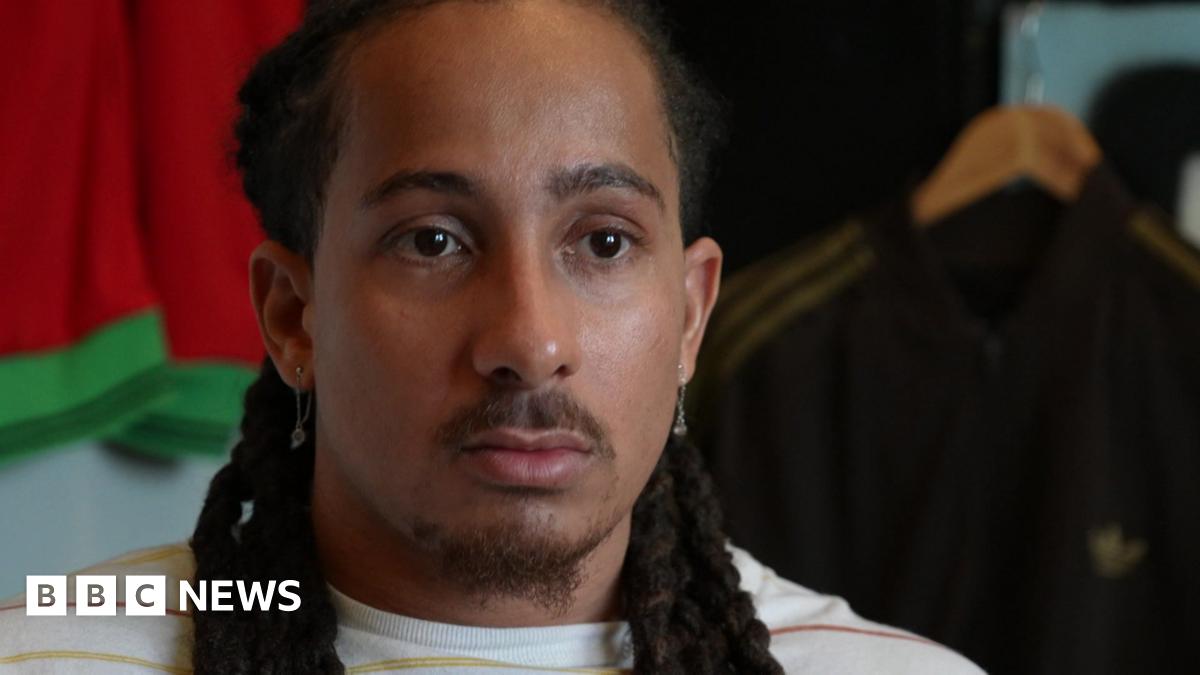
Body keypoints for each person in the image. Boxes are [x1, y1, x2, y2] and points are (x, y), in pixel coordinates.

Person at [0, 1, 985, 672]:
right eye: (433, 240)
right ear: (293, 317)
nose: (527, 337)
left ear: (689, 315)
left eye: (602, 241)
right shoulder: (52, 648)